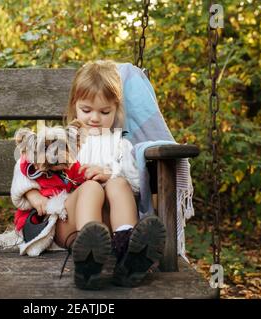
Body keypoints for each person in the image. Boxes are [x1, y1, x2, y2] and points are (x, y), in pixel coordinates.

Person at [10, 60, 165, 290]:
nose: (94, 118)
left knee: (119, 184)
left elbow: (136, 183)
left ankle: (128, 253)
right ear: (74, 106)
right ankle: (88, 256)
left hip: (108, 229)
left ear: (117, 109)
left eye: (105, 112)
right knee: (91, 188)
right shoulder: (64, 140)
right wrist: (33, 195)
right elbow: (24, 165)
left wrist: (111, 173)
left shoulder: (119, 144)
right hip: (68, 224)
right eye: (86, 110)